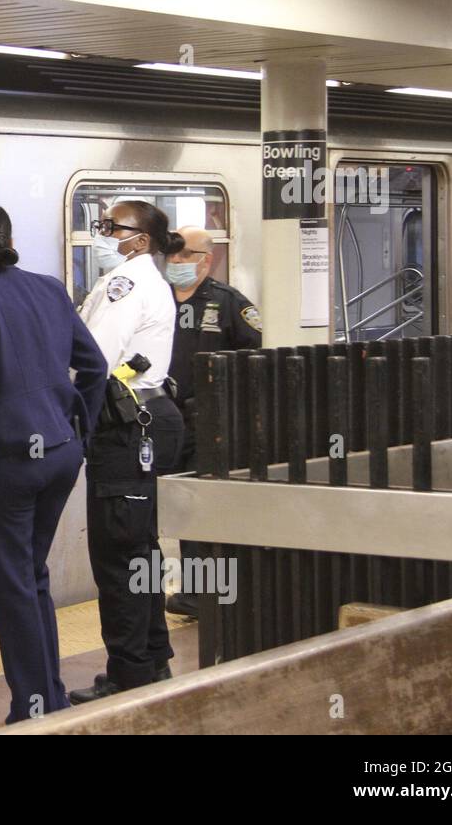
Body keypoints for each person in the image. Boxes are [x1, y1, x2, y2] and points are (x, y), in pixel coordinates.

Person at [0, 204, 108, 725]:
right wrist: (82, 426)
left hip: (7, 461)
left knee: (12, 583)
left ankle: (32, 710)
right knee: (31, 575)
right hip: (60, 455)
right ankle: (49, 698)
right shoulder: (49, 288)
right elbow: (96, 366)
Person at [68, 200, 186, 704]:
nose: (102, 235)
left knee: (118, 554)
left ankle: (129, 673)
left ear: (139, 239)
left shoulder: (129, 283)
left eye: (110, 228)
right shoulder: (136, 279)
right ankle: (151, 659)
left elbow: (94, 354)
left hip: (126, 429)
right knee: (138, 547)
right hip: (138, 422)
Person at [164, 226, 262, 616]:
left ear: (206, 259)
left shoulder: (228, 304)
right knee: (173, 507)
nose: (176, 261)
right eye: (171, 254)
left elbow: (255, 358)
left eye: (185, 254)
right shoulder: (156, 299)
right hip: (162, 419)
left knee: (201, 508)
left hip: (208, 422)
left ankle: (204, 595)